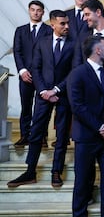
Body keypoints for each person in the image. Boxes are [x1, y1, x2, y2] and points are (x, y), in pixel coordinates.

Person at [8, 10, 75, 188]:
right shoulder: (42, 42)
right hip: (43, 95)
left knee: (61, 136)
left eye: (67, 23)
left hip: (63, 96)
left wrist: (55, 90)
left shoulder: (74, 44)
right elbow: (35, 68)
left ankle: (56, 171)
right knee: (36, 133)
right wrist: (44, 90)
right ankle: (30, 171)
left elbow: (73, 72)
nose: (67, 26)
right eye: (63, 23)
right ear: (53, 24)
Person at [66, 36, 104, 217]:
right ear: (97, 50)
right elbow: (77, 106)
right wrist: (99, 127)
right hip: (86, 137)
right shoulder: (76, 74)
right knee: (82, 180)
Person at [13, 0, 52, 148]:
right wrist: (22, 70)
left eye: (38, 10)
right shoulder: (20, 30)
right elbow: (17, 51)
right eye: (33, 10)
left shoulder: (49, 31)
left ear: (43, 12)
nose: (35, 12)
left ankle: (41, 136)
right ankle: (25, 135)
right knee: (26, 105)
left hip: (43, 76)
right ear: (29, 11)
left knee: (42, 108)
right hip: (25, 76)